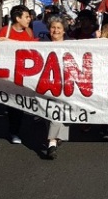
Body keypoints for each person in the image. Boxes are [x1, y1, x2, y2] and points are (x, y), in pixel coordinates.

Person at [0, 5, 37, 144]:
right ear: (17, 18)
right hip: (10, 75)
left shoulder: (29, 31)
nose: (29, 19)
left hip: (26, 74)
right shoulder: (5, 31)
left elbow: (32, 48)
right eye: (26, 17)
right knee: (14, 104)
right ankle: (14, 131)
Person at [41, 15, 71, 159]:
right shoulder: (42, 43)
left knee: (62, 110)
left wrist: (99, 38)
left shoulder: (73, 44)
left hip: (67, 83)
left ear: (64, 30)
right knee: (51, 111)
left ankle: (54, 140)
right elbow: (22, 47)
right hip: (47, 83)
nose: (56, 30)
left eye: (59, 28)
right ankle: (53, 141)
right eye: (53, 27)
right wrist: (7, 41)